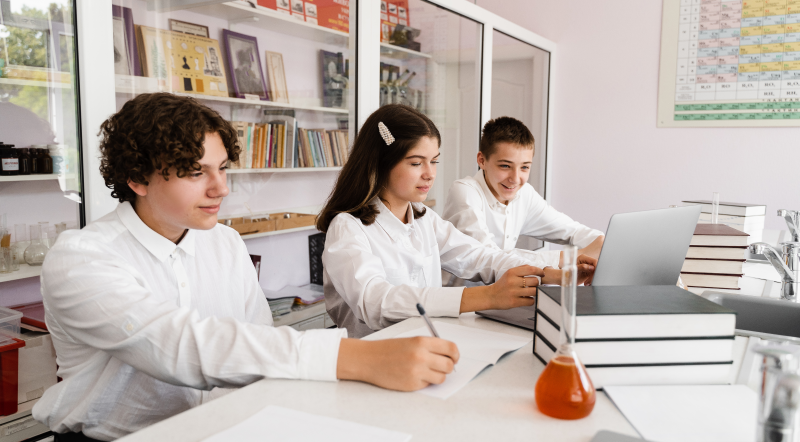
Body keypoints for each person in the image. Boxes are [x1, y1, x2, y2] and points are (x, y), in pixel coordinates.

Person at [33, 94, 460, 442]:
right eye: (195, 172)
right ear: (138, 178)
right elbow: (181, 347)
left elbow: (260, 341)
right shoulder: (81, 258)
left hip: (224, 425)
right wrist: (356, 357)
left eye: (222, 169)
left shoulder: (224, 242)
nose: (221, 188)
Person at [317, 105, 596, 339]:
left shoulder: (424, 219)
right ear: (380, 163)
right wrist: (486, 297)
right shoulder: (348, 227)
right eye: (416, 163)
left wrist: (551, 273)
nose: (429, 174)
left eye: (434, 161)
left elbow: (480, 256)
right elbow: (375, 302)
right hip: (375, 364)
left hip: (429, 348)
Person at [443, 116, 604, 283]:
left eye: (525, 167)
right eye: (505, 166)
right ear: (482, 160)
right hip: (461, 303)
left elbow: (573, 231)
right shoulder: (464, 192)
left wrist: (604, 246)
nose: (515, 178)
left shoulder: (524, 193)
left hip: (504, 301)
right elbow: (491, 258)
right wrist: (571, 257)